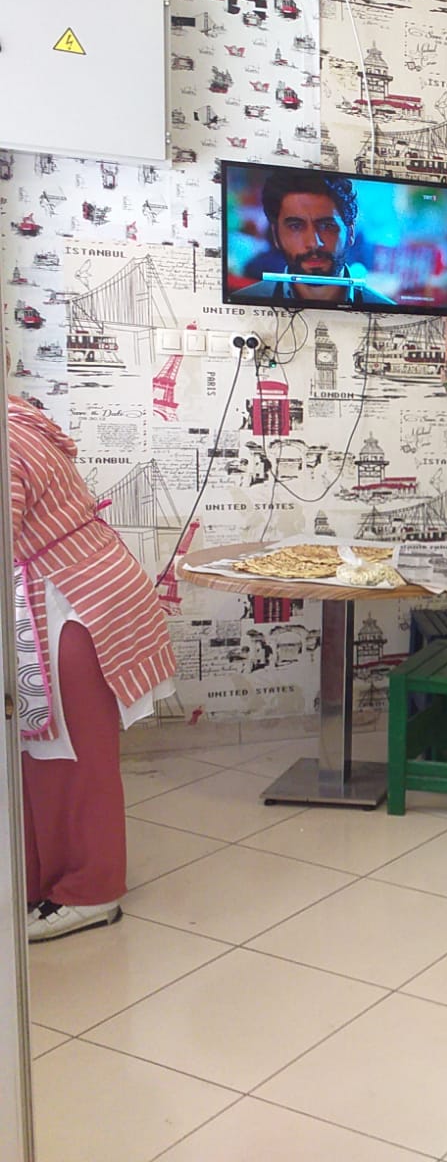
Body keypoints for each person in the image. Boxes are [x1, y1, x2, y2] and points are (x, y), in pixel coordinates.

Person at [9, 397, 177, 942]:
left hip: (67, 606)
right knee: (46, 760)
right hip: (86, 589)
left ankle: (89, 890)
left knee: (70, 759)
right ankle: (44, 880)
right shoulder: (17, 417)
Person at [234, 171, 396, 307]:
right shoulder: (245, 303)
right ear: (276, 235)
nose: (314, 243)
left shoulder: (384, 310)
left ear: (351, 233)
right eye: (295, 227)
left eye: (327, 226)